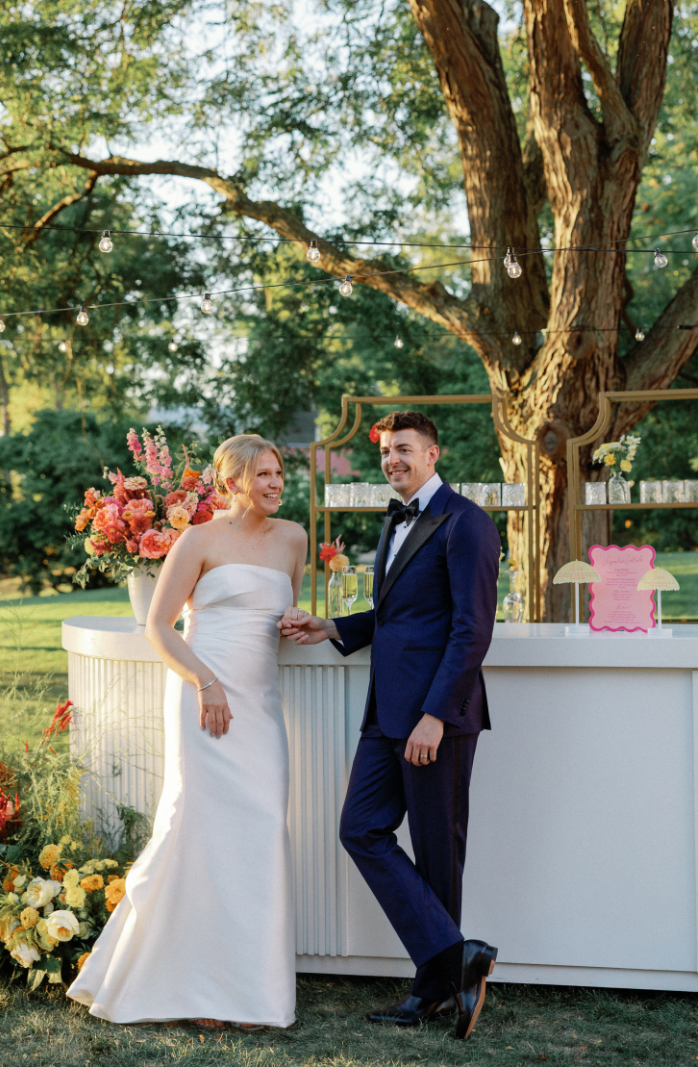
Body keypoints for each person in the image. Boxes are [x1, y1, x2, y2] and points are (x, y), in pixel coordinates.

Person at [67, 434, 307, 1029]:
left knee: (258, 833)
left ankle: (250, 992)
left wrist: (299, 622)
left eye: (279, 474)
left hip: (260, 704)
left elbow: (276, 617)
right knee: (195, 831)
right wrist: (206, 682)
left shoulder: (294, 539)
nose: (275, 484)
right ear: (231, 483)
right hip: (204, 698)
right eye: (263, 475)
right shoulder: (197, 540)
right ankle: (189, 985)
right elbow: (158, 626)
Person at [279, 410, 500, 1040]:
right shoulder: (396, 519)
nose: (392, 460)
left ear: (435, 453)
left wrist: (435, 716)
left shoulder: (468, 524)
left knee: (437, 854)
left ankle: (434, 991)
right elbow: (401, 615)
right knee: (360, 829)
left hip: (436, 717)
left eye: (404, 449)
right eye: (385, 452)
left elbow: (470, 631)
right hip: (386, 713)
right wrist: (334, 628)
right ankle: (458, 959)